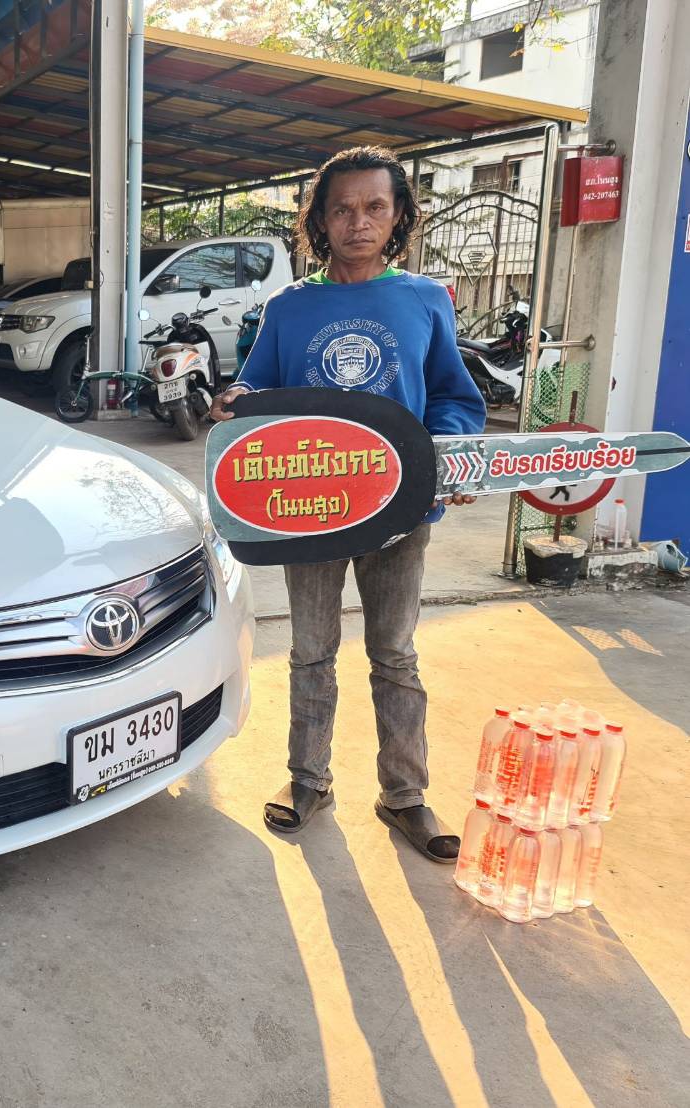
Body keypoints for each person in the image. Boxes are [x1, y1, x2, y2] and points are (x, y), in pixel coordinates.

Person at [209, 146, 487, 862]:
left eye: (374, 207)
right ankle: (308, 781)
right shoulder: (289, 307)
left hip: (400, 512)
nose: (357, 222)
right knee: (311, 653)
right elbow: (258, 387)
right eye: (342, 209)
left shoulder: (423, 299)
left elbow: (453, 396)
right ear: (320, 220)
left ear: (397, 216)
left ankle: (405, 796)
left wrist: (449, 452)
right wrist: (237, 400)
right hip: (309, 512)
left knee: (394, 655)